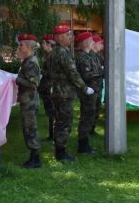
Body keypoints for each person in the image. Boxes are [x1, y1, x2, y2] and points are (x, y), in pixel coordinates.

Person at [48, 25, 94, 161]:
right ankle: (61, 153)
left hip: (57, 91)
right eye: (68, 35)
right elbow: (72, 73)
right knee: (64, 122)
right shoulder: (63, 52)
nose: (71, 38)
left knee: (59, 121)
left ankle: (59, 149)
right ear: (60, 37)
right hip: (64, 92)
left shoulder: (53, 51)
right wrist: (84, 88)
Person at [15, 33, 42, 168]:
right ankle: (33, 156)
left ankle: (35, 159)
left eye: (21, 45)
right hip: (28, 100)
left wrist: (16, 79)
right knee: (28, 128)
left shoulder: (31, 62)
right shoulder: (27, 60)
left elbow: (33, 83)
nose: (19, 47)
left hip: (30, 100)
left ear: (28, 46)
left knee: (30, 128)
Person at [74, 32, 100, 154]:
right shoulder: (82, 57)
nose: (92, 42)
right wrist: (102, 74)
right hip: (87, 92)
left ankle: (85, 143)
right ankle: (82, 145)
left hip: (92, 90)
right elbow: (87, 75)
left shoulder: (88, 55)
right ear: (85, 42)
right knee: (86, 117)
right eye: (90, 40)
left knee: (89, 116)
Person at [38, 34, 56, 141]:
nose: (41, 45)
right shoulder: (49, 55)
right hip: (47, 88)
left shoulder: (52, 56)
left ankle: (53, 135)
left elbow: (51, 73)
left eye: (43, 43)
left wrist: (40, 71)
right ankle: (52, 135)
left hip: (50, 88)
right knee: (50, 112)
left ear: (49, 44)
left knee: (52, 112)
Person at [90, 36, 104, 135]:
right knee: (91, 109)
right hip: (92, 87)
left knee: (97, 109)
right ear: (94, 44)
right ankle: (88, 129)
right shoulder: (90, 55)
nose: (102, 46)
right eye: (100, 43)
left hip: (98, 86)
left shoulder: (99, 55)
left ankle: (92, 129)